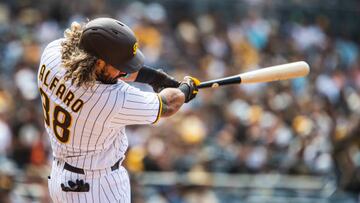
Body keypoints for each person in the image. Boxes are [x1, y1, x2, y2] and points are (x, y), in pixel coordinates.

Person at [37, 17, 198, 203]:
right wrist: (186, 89)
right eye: (119, 68)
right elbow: (169, 104)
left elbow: (101, 67)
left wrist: (152, 77)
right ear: (97, 63)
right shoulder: (111, 99)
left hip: (61, 178)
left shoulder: (51, 54)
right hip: (96, 186)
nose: (123, 73)